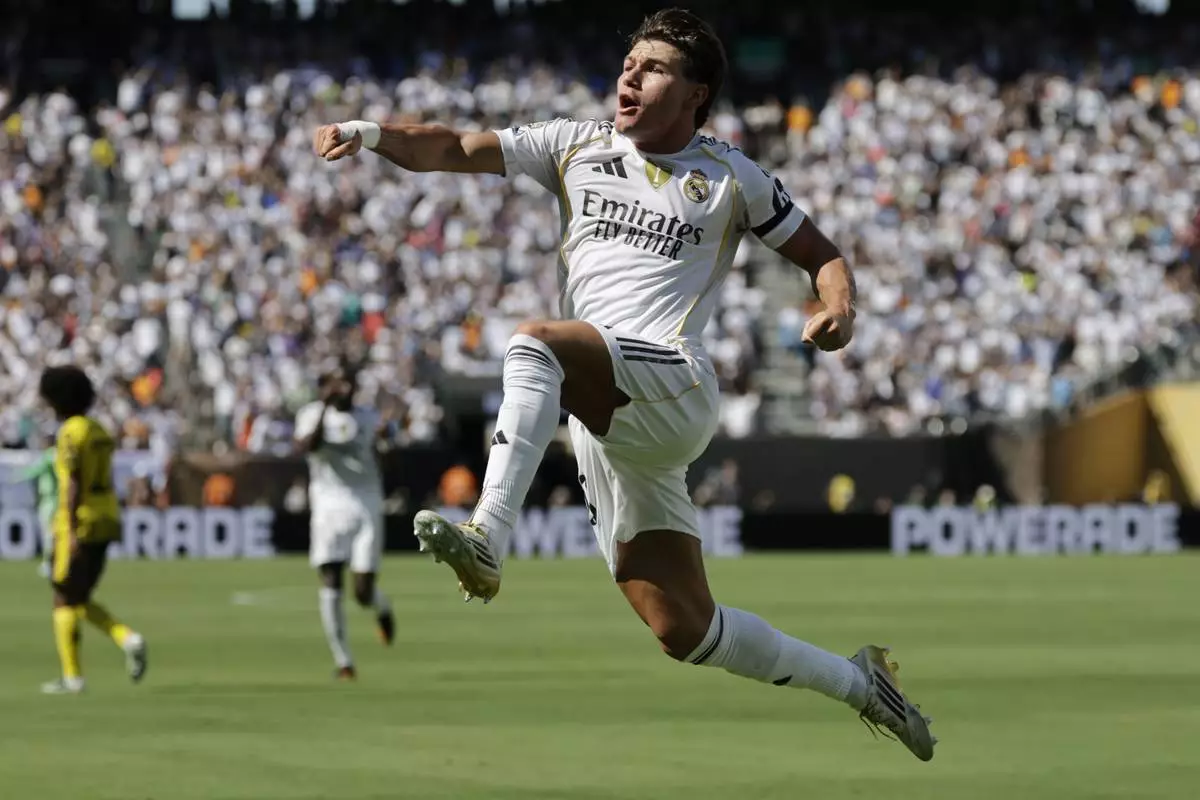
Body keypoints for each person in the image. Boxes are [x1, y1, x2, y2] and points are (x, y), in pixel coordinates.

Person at [314, 8, 934, 760]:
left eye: (654, 68)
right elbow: (453, 146)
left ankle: (488, 534)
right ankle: (863, 685)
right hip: (609, 419)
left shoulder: (731, 176)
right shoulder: (575, 145)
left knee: (533, 343)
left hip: (671, 379)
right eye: (629, 63)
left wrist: (838, 309)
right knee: (686, 629)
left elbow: (822, 253)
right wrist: (369, 133)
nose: (629, 77)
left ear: (696, 95)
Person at [38, 366, 148, 695]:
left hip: (80, 521)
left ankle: (73, 677)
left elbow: (72, 482)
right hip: (105, 517)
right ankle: (127, 639)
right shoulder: (99, 430)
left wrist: (69, 530)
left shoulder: (71, 432)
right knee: (78, 595)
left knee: (64, 596)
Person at [294, 365, 395, 679]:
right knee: (331, 579)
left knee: (362, 590)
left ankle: (382, 607)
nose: (345, 390)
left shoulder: (367, 417)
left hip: (365, 501)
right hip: (327, 503)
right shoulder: (311, 414)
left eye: (348, 383)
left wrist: (385, 439)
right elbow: (306, 447)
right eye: (337, 384)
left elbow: (388, 449)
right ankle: (344, 661)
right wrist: (325, 406)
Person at [18, 447, 58, 578]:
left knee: (48, 533)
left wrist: (17, 476)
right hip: (55, 499)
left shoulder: (49, 456)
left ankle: (49, 563)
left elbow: (34, 471)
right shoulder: (56, 455)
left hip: (51, 500)